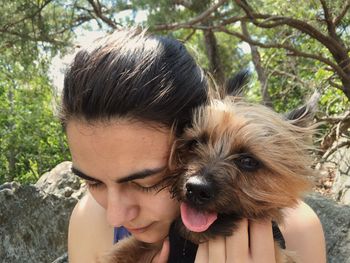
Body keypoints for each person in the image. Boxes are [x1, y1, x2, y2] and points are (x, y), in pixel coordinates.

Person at [60, 28, 326, 262]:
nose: (116, 217)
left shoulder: (299, 232)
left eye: (147, 182)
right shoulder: (90, 222)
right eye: (94, 182)